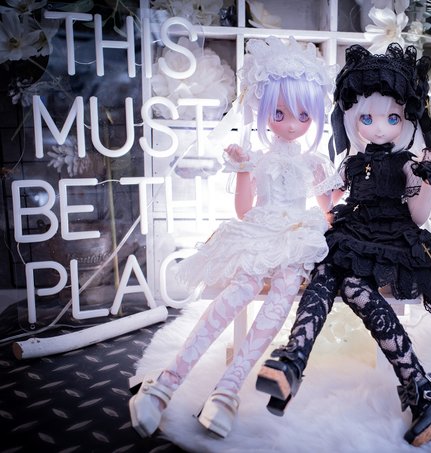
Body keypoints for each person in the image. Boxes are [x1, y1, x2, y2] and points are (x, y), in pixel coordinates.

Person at [128, 36, 339, 439]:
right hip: (260, 232)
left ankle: (227, 390)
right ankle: (165, 384)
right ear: (263, 110)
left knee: (279, 303)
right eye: (279, 113)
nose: (290, 124)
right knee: (234, 296)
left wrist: (339, 197)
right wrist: (243, 171)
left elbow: (327, 211)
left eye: (302, 115)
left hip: (298, 237)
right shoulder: (258, 159)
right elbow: (244, 210)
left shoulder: (314, 163)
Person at [255, 43, 431, 447]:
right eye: (367, 117)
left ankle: (419, 387)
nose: (379, 127)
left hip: (391, 239)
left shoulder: (407, 163)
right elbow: (330, 200)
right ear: (353, 119)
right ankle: (295, 360)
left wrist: (426, 179)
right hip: (354, 231)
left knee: (351, 286)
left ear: (407, 119)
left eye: (392, 118)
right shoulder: (352, 161)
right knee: (325, 270)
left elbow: (419, 216)